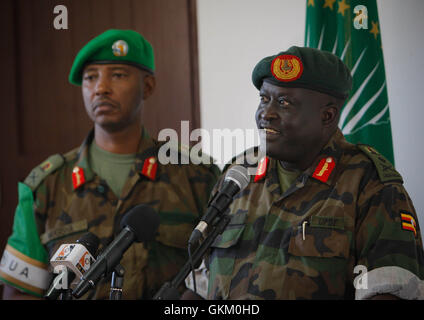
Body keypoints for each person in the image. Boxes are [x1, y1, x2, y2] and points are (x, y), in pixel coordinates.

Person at [184, 46, 424, 300]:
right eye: (264, 99)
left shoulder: (370, 185)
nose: (266, 114)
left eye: (284, 102)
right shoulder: (239, 174)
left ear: (327, 116)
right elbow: (200, 287)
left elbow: (390, 294)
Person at [0, 29, 220, 300]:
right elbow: (20, 292)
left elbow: (222, 277)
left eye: (118, 75)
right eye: (90, 77)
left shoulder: (195, 175)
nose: (101, 88)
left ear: (148, 86)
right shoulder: (47, 184)